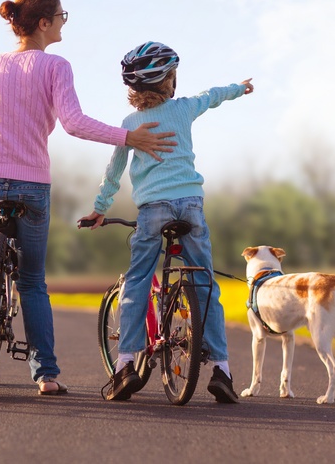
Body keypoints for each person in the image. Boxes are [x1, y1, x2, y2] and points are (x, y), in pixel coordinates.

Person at [0, 0, 178, 396]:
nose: (65, 22)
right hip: (32, 184)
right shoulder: (57, 66)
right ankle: (46, 375)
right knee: (32, 281)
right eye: (62, 16)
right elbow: (73, 123)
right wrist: (127, 138)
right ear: (44, 23)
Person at [79, 41, 252, 404]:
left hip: (152, 210)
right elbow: (214, 95)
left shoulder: (129, 125)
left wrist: (99, 207)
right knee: (204, 284)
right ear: (169, 81)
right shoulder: (185, 108)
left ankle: (125, 365)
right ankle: (222, 370)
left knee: (139, 280)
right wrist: (240, 88)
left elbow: (113, 172)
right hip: (191, 206)